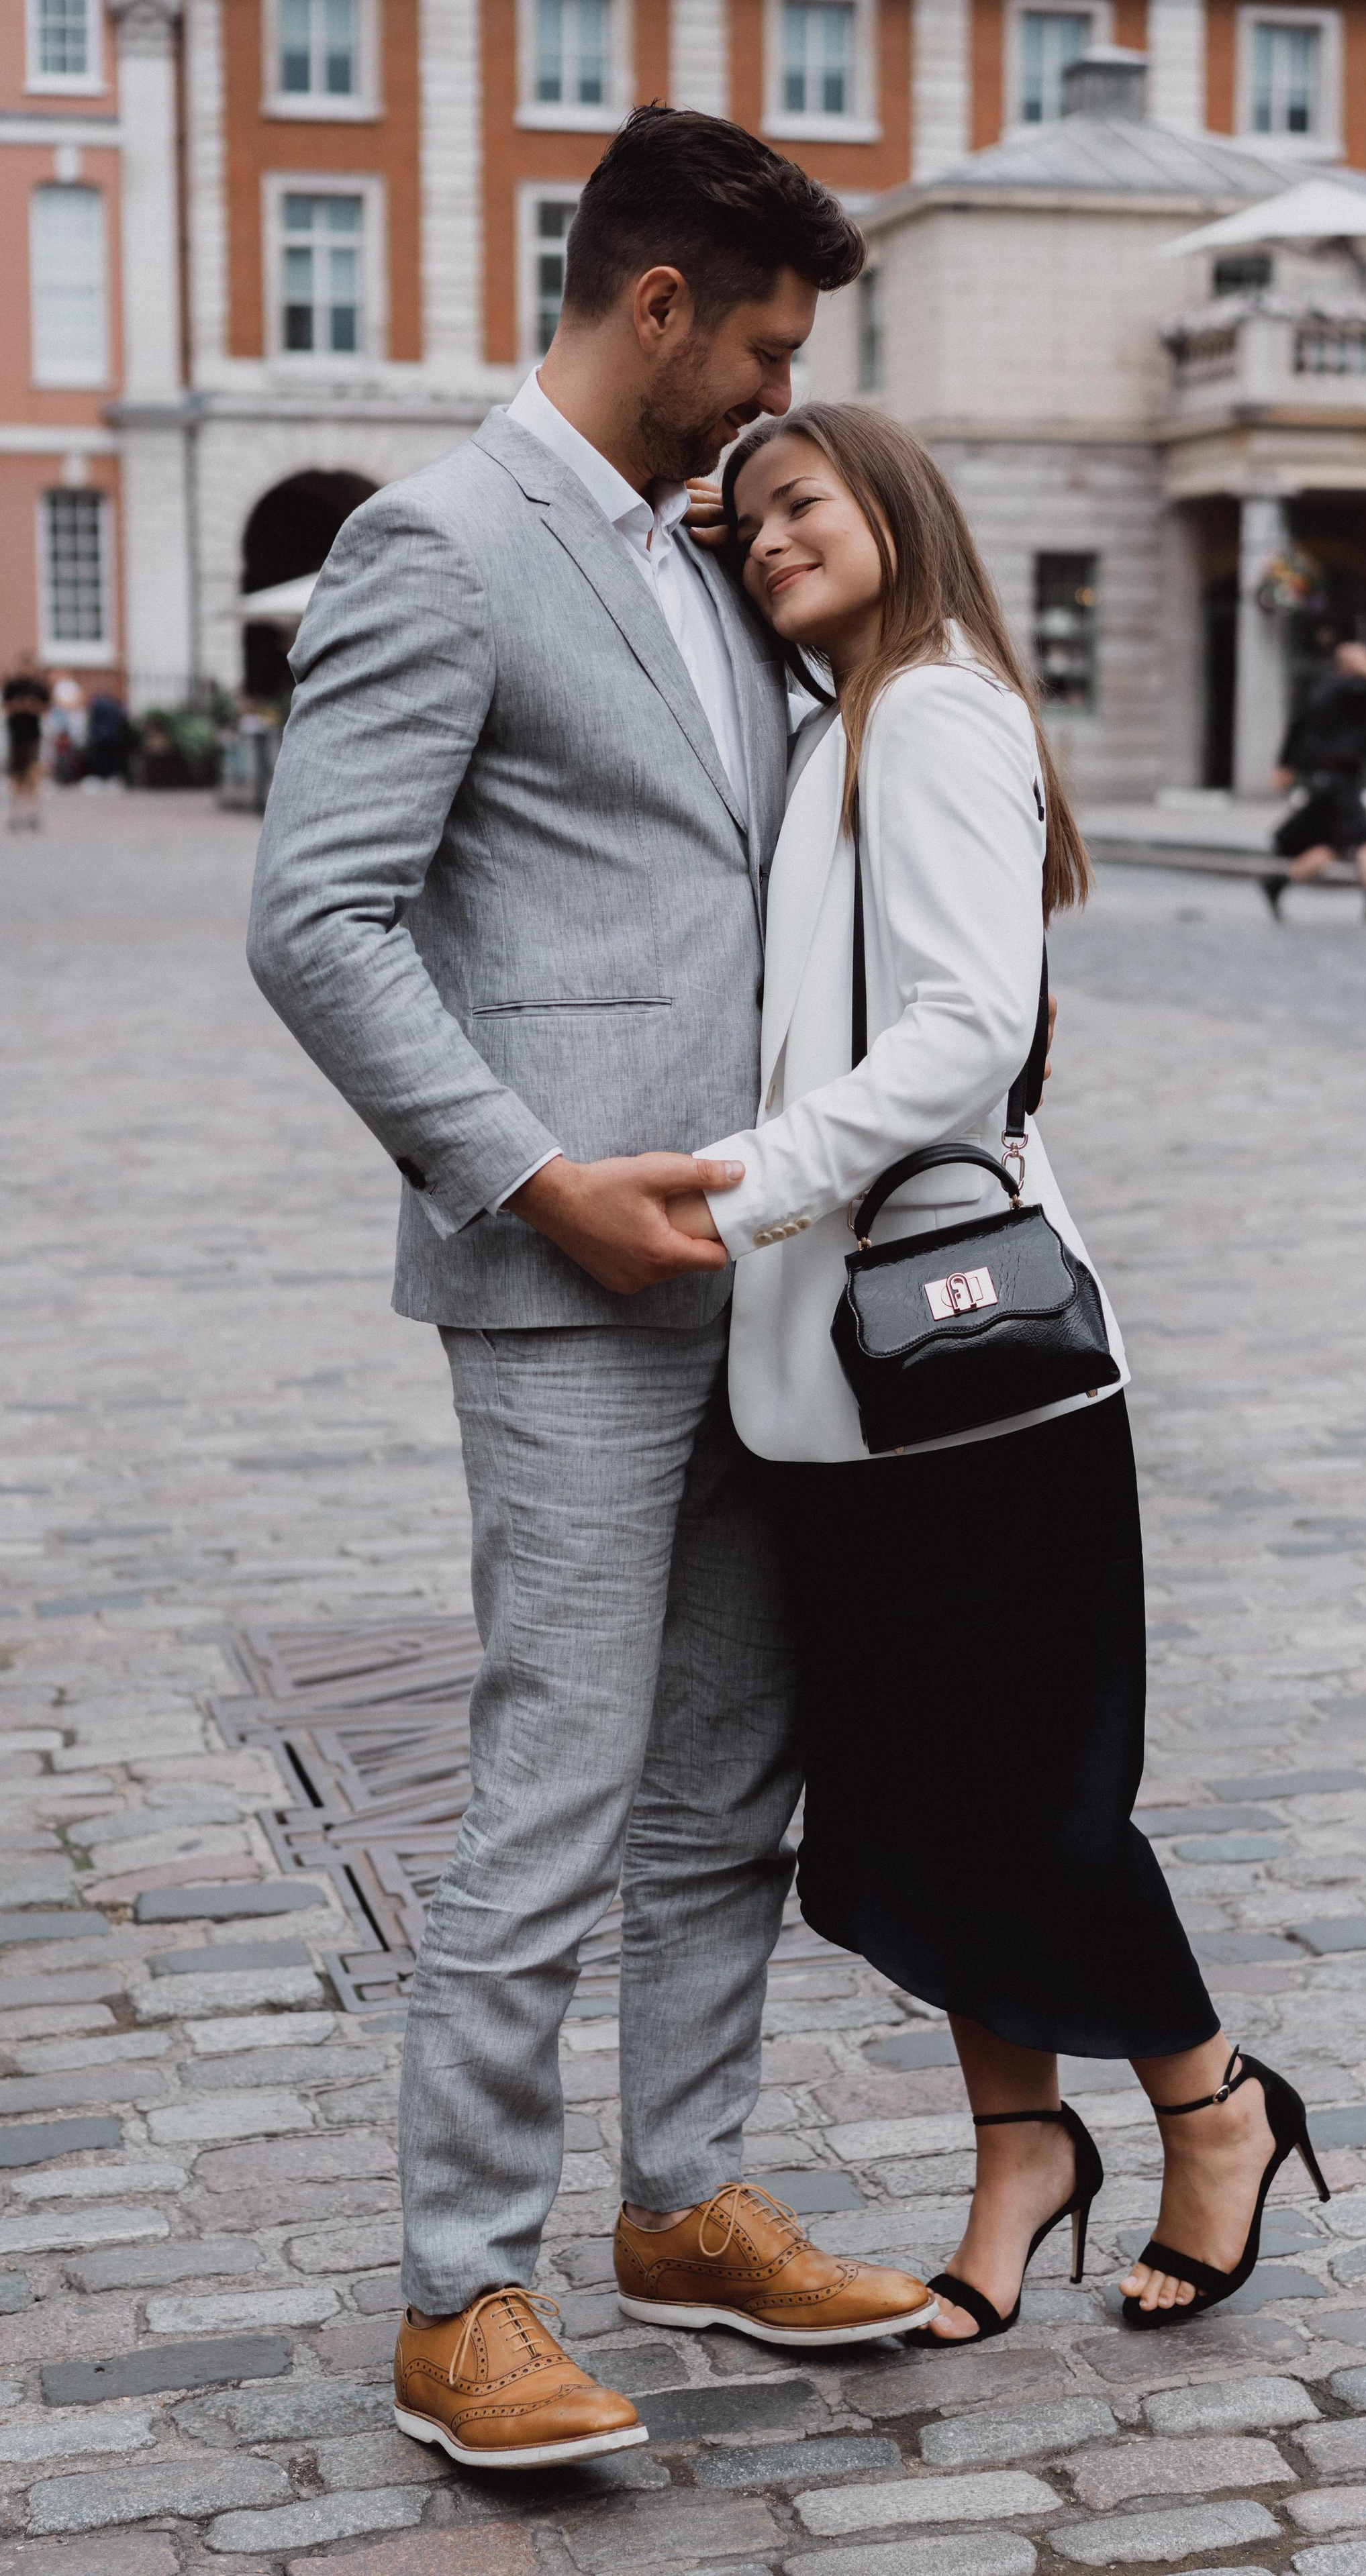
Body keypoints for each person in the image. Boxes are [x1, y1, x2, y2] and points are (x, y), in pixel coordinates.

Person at [248, 107, 938, 2479]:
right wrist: (533, 1174)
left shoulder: (697, 547)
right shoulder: (438, 544)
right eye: (755, 348)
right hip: (570, 1280)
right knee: (554, 1775)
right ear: (658, 309)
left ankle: (687, 2191)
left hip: (753, 1260)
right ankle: (464, 2289)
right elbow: (315, 916)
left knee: (730, 1775)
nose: (770, 396)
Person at [659, 401, 1329, 2346]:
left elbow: (969, 1024)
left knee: (1027, 1803)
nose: (770, 533)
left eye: (805, 501)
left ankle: (1216, 2108)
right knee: (909, 1811)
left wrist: (756, 1181)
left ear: (899, 507)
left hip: (974, 1385)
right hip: (859, 1391)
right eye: (747, 518)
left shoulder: (934, 708)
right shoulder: (841, 719)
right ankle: (1021, 2146)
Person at [1259, 641, 1366, 924]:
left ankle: (1277, 883)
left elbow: (1297, 726)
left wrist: (1285, 764)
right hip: (1338, 779)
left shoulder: (1323, 687)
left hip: (1330, 777)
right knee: (1364, 838)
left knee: (1335, 847)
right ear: (1351, 664)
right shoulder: (1351, 688)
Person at [3, 655, 50, 830]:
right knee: (16, 776)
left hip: (33, 736)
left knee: (33, 774)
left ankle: (33, 812)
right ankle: (15, 813)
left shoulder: (38, 687)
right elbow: (6, 707)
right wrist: (17, 706)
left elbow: (46, 708)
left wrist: (32, 707)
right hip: (16, 736)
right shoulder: (12, 686)